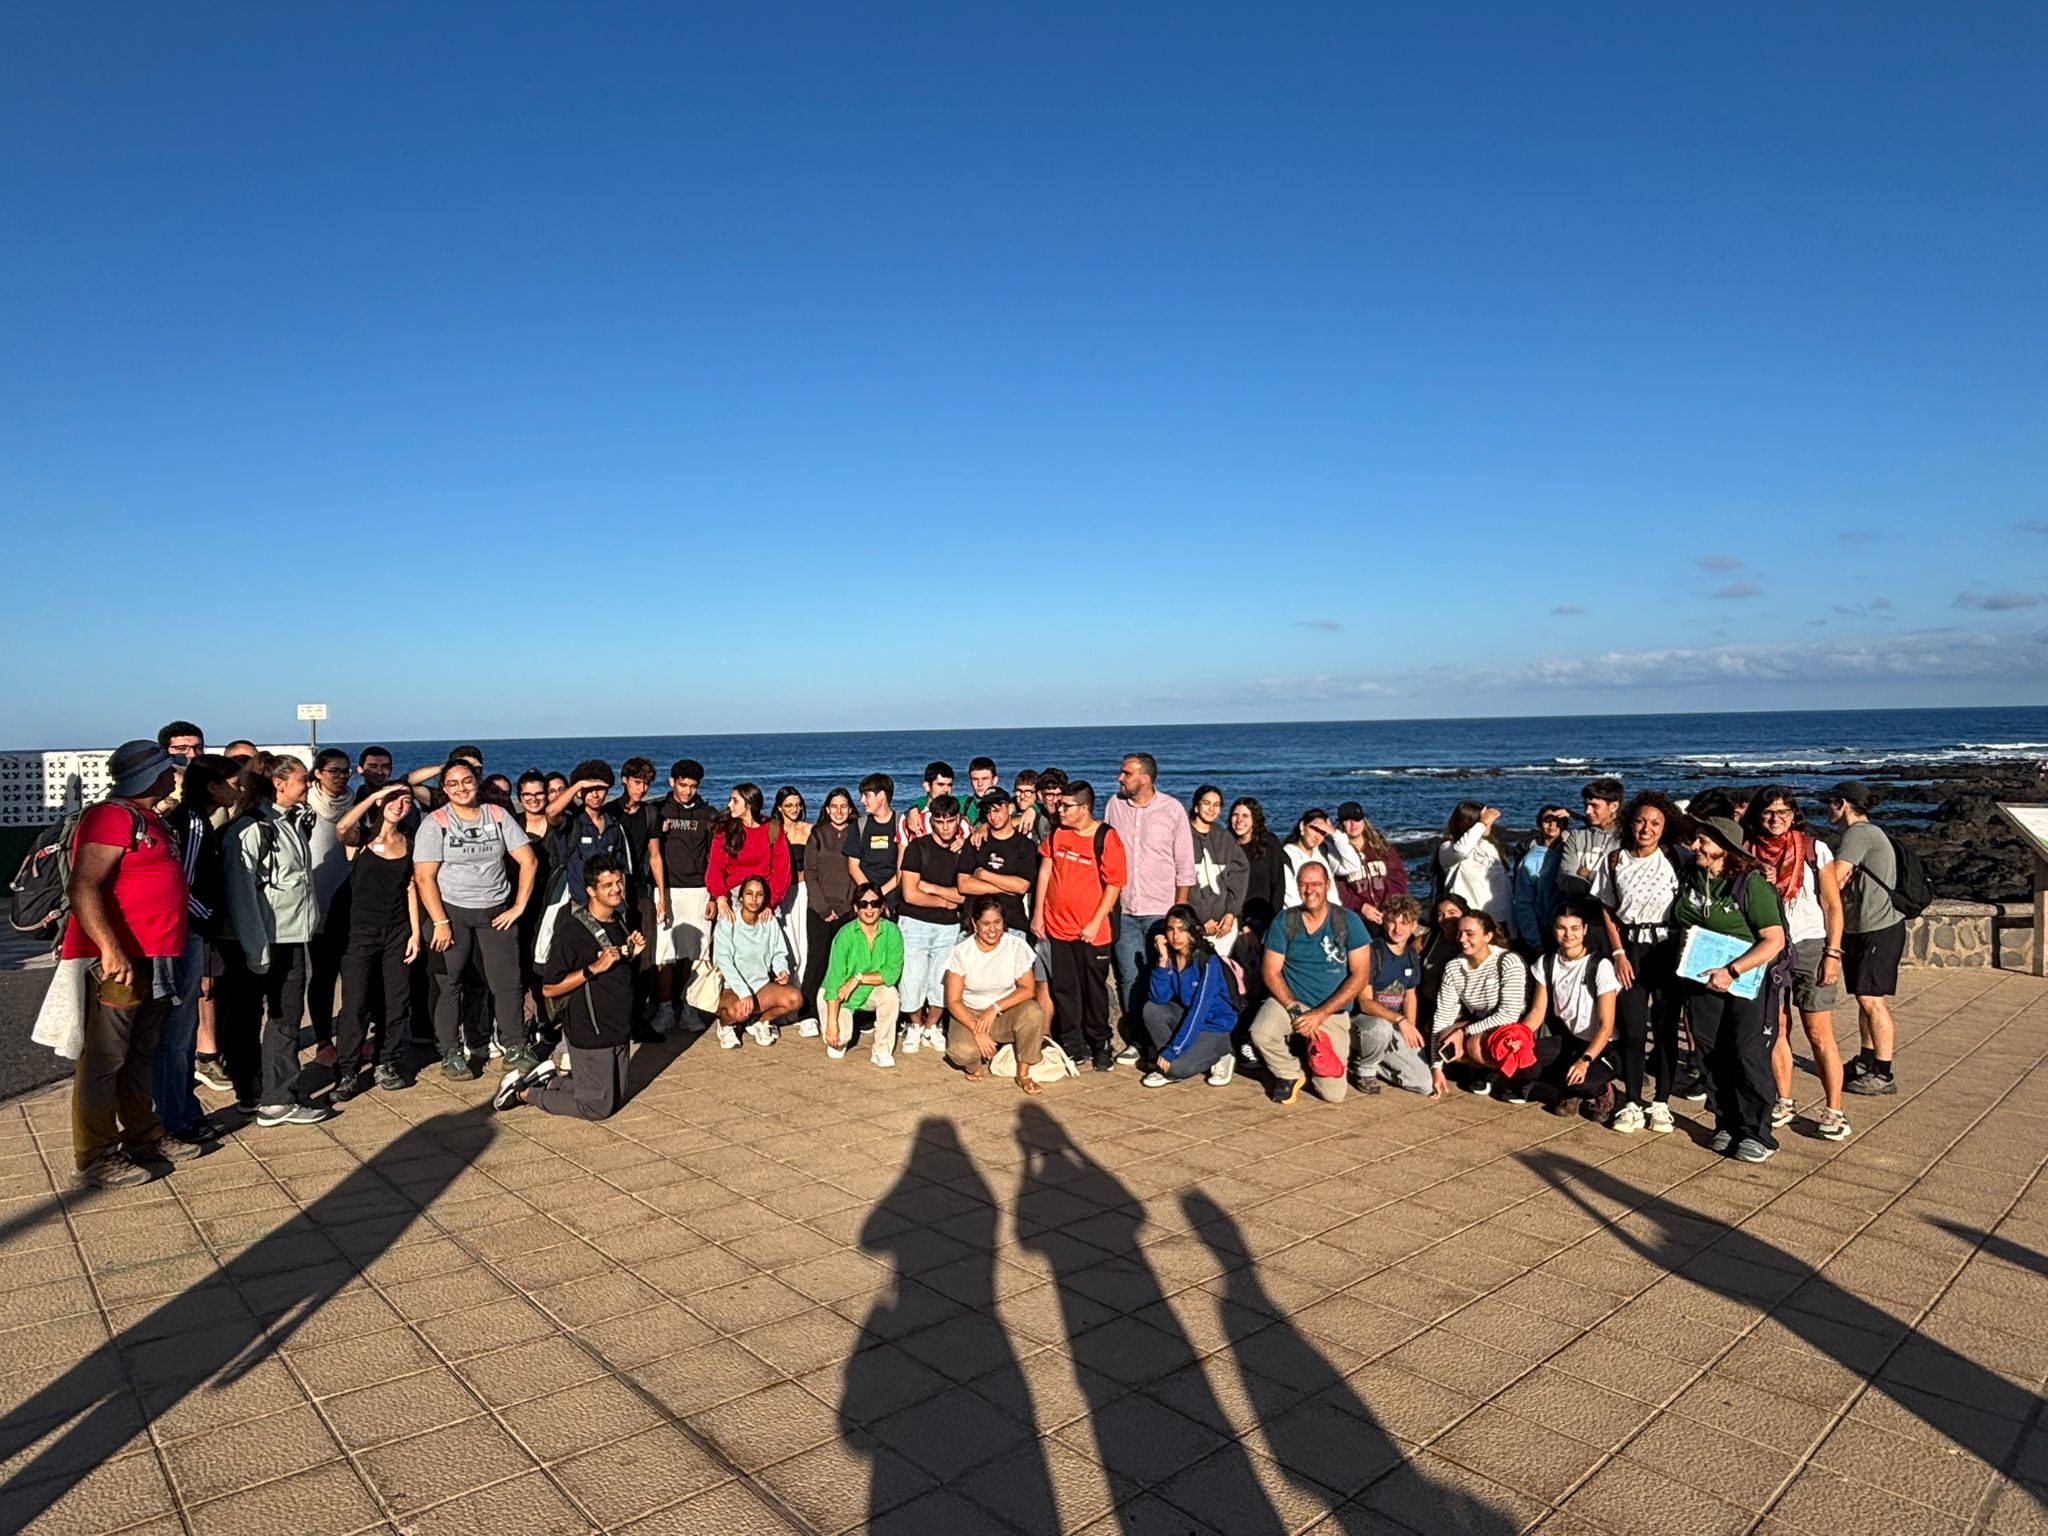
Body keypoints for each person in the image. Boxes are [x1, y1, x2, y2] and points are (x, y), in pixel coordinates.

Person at [62, 741, 201, 1186]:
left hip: (157, 954)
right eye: (169, 769)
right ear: (154, 775)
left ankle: (144, 1137)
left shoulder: (150, 818)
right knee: (106, 1057)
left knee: (140, 1053)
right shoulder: (112, 816)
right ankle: (96, 1155)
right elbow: (84, 886)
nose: (175, 775)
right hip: (123, 958)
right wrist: (110, 948)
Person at [222, 753, 334, 1127]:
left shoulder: (289, 822)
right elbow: (243, 896)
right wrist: (257, 950)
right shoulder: (253, 829)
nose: (310, 785)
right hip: (268, 940)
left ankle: (264, 1092)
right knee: (277, 1018)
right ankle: (273, 1098)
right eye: (303, 779)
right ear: (279, 783)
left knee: (278, 1017)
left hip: (288, 935)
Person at [412, 759, 538, 1078]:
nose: (461, 788)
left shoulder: (496, 815)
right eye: (452, 784)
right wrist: (440, 921)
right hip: (452, 911)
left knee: (507, 983)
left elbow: (528, 860)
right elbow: (424, 877)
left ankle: (514, 1047)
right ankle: (451, 1052)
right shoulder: (436, 822)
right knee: (448, 983)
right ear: (444, 789)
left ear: (476, 782)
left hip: (495, 910)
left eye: (466, 781)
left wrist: (518, 906)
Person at [1674, 815, 1787, 1160]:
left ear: (1725, 848)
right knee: (1709, 1053)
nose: (1695, 846)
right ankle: (1725, 1122)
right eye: (1695, 839)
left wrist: (1732, 971)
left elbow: (1774, 940)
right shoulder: (1692, 875)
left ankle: (1757, 1133)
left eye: (1704, 841)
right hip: (1699, 983)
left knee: (1746, 1054)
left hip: (1744, 984)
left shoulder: (1751, 885)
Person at [499, 855, 646, 1120]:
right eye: (607, 885)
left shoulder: (619, 920)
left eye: (619, 882)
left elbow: (615, 966)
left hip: (618, 1028)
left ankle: (547, 1081)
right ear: (591, 891)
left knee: (613, 1096)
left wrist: (632, 952)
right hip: (591, 1031)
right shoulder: (572, 932)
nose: (616, 889)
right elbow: (550, 988)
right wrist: (592, 969)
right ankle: (522, 1093)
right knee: (597, 1108)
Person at [1745, 787, 1850, 1140]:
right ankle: (1784, 1099)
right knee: (1776, 1027)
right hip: (1768, 945)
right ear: (1757, 816)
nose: (1776, 819)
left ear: (1794, 815)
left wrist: (1832, 954)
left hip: (1809, 944)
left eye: (1783, 812)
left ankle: (1834, 1109)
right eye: (1768, 813)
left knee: (1819, 1033)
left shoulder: (1813, 849)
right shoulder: (1747, 851)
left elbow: (1833, 905)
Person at [1592, 791, 1688, 1134]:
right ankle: (1632, 1101)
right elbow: (1607, 909)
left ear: (1665, 828)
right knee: (1633, 1030)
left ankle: (1661, 1103)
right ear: (1630, 822)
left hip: (1668, 948)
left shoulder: (1678, 856)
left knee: (1665, 1029)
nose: (1646, 828)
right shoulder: (1614, 860)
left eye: (1655, 823)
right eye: (1641, 820)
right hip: (1630, 950)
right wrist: (1617, 953)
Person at [160, 754, 238, 1146]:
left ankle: (183, 1111)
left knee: (181, 1029)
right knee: (179, 1031)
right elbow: (183, 884)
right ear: (212, 786)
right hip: (187, 935)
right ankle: (177, 1117)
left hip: (190, 933)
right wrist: (207, 918)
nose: (237, 789)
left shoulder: (197, 821)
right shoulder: (192, 823)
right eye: (231, 782)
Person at [1248, 861, 1372, 1105]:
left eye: (1316, 883)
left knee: (1333, 1095)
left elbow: (1360, 976)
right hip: (1291, 1002)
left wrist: (1320, 1014)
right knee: (1261, 1032)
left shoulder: (1348, 921)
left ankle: (1311, 1056)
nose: (1310, 889)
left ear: (1327, 885)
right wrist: (1295, 1010)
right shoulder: (1285, 921)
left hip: (1330, 1011)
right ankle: (1291, 1073)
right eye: (1304, 884)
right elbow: (1270, 972)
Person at [328, 785, 420, 1099]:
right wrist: (372, 798)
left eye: (406, 801)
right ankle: (348, 1071)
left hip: (397, 931)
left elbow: (411, 888)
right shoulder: (363, 840)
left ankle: (386, 1062)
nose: (400, 805)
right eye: (394, 799)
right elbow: (341, 828)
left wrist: (416, 934)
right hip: (359, 933)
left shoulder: (409, 843)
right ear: (381, 802)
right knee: (355, 1003)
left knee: (396, 1000)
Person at [1103, 753, 1196, 1056]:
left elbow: (1185, 867)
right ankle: (1138, 1040)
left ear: (1145, 777)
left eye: (1126, 773)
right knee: (1130, 977)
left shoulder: (1172, 810)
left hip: (1161, 911)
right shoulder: (1114, 806)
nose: (1120, 778)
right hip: (1126, 909)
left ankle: (1168, 1039)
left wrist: (1178, 918)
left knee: (1165, 975)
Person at [1032, 780, 1127, 1071]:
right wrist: (1038, 914)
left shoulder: (1105, 837)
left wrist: (1095, 922)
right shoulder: (1058, 833)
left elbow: (1114, 885)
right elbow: (1046, 871)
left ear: (1084, 809)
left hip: (1092, 934)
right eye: (1059, 804)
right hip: (1057, 928)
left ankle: (1101, 1044)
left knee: (1093, 991)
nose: (1060, 809)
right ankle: (1072, 1046)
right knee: (1065, 990)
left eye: (1067, 805)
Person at [1827, 781, 1908, 1098]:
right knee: (1865, 997)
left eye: (1830, 803)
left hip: (1879, 927)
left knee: (1873, 1002)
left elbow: (1835, 875)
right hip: (1866, 926)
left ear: (1842, 803)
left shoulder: (1859, 833)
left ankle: (1883, 1073)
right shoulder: (1867, 833)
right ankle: (1866, 1060)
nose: (1827, 809)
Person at [1520, 904, 1624, 1121]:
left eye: (1575, 928)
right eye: (1561, 928)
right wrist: (1517, 1038)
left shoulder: (1600, 966)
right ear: (1554, 929)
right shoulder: (1546, 963)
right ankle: (1569, 1089)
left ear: (1585, 929)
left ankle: (1602, 1091)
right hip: (1570, 1040)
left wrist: (1585, 1061)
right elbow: (1537, 1012)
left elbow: (1606, 1026)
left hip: (1602, 1046)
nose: (1568, 935)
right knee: (1524, 1062)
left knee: (1584, 1079)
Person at [943, 895, 1049, 1093]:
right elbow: (954, 1000)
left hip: (1003, 1010)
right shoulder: (961, 952)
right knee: (962, 1052)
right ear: (975, 924)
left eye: (997, 922)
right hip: (970, 1011)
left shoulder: (1016, 946)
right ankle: (974, 1066)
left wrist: (995, 1008)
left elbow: (1028, 988)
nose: (992, 929)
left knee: (1033, 1012)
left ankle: (1023, 1072)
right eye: (986, 924)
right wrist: (978, 1030)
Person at [1135, 903, 1240, 1088]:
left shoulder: (1207, 961)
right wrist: (1162, 961)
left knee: (1176, 1068)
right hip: (1189, 1019)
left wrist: (1172, 1051)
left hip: (1214, 1026)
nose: (1175, 936)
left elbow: (1199, 1010)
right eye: (1170, 930)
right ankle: (1168, 1063)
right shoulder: (1173, 957)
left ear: (1192, 930)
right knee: (1152, 1009)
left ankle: (1222, 1052)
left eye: (1182, 930)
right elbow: (1159, 998)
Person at [896, 794, 971, 1054]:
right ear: (932, 822)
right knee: (912, 978)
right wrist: (943, 901)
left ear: (959, 820)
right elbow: (910, 894)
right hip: (914, 922)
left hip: (949, 927)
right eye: (940, 821)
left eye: (951, 821)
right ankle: (914, 1025)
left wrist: (931, 888)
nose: (946, 827)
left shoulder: (965, 850)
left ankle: (932, 1026)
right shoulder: (918, 848)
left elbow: (963, 894)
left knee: (941, 980)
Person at [649, 759, 716, 1030]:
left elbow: (715, 858)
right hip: (666, 889)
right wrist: (661, 894)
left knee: (697, 952)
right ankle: (665, 1009)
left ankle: (689, 1007)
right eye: (683, 785)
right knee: (664, 953)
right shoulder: (657, 811)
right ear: (671, 782)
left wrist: (713, 895)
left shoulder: (709, 814)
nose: (687, 791)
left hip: (699, 890)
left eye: (693, 786)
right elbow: (651, 853)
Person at [1431, 912, 1529, 1098]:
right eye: (1460, 933)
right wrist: (1436, 1067)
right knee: (1445, 1038)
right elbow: (1443, 1014)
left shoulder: (1509, 961)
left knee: (1474, 1045)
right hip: (1482, 1020)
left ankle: (1514, 1073)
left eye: (1470, 934)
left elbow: (1509, 1014)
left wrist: (1463, 1032)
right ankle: (1487, 1071)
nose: (1462, 939)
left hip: (1512, 1024)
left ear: (1488, 936)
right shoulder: (1454, 967)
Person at [1352, 894, 1436, 1097]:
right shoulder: (1373, 952)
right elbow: (1364, 1002)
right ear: (1384, 921)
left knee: (1424, 1084)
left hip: (1394, 1025)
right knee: (1380, 1028)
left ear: (1414, 925)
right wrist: (1399, 1020)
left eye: (1404, 923)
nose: (1398, 929)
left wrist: (1410, 1028)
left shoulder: (1411, 956)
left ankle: (1361, 1060)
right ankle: (1365, 1070)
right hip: (1365, 1023)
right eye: (1392, 922)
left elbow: (1410, 996)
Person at [303, 747, 356, 1066]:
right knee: (322, 975)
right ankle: (323, 1038)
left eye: (345, 770)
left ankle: (354, 1034)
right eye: (333, 770)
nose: (340, 776)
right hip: (317, 900)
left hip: (351, 900)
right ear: (318, 774)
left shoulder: (358, 801)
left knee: (355, 975)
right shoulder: (306, 808)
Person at [712, 874, 803, 1047]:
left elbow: (778, 952)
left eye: (759, 895)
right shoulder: (728, 922)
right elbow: (724, 961)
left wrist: (781, 970)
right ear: (741, 896)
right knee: (740, 1011)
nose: (754, 899)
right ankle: (725, 1025)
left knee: (794, 998)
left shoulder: (769, 922)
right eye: (749, 893)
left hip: (760, 986)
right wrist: (743, 992)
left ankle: (761, 1022)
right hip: (731, 987)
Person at [819, 883, 904, 1065]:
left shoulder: (892, 932)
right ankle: (837, 1022)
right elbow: (834, 982)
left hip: (869, 988)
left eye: (874, 903)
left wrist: (857, 979)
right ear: (856, 908)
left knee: (891, 996)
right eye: (863, 904)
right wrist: (832, 1024)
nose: (869, 908)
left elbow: (892, 973)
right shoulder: (844, 935)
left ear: (882, 906)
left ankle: (882, 1049)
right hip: (839, 995)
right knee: (837, 1042)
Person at [610, 757, 664, 1041]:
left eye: (646, 783)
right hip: (613, 892)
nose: (641, 788)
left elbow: (655, 855)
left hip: (641, 890)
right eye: (637, 782)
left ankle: (638, 1019)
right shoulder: (609, 812)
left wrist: (662, 896)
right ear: (624, 780)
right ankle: (617, 1019)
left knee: (644, 955)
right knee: (616, 953)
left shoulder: (650, 814)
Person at [800, 787, 859, 1028]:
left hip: (848, 909)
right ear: (826, 809)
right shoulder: (818, 834)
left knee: (845, 962)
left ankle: (846, 1011)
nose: (839, 811)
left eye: (843, 806)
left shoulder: (857, 833)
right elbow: (810, 874)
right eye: (834, 807)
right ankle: (807, 1013)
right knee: (818, 959)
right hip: (819, 909)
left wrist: (847, 907)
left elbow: (857, 872)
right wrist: (823, 908)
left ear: (850, 809)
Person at [548, 761, 634, 910]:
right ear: (580, 792)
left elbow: (621, 869)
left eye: (600, 789)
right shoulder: (571, 822)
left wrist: (622, 904)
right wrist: (578, 785)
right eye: (589, 789)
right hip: (579, 905)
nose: (595, 795)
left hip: (611, 907)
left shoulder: (614, 825)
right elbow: (551, 812)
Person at [706, 782, 792, 923]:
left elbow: (782, 870)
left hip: (764, 896)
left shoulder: (772, 828)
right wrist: (719, 897)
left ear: (749, 804)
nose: (729, 805)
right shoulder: (724, 830)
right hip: (733, 897)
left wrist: (770, 903)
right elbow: (715, 868)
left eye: (735, 800)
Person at [957, 788, 1039, 934]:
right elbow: (964, 885)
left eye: (997, 810)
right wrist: (1006, 888)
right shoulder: (976, 841)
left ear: (1010, 808)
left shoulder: (1025, 846)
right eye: (988, 811)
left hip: (1012, 924)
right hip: (974, 925)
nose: (993, 816)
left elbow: (1021, 886)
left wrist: (984, 875)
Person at [771, 786, 816, 1035]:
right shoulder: (772, 831)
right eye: (789, 805)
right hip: (779, 895)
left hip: (803, 892)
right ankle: (782, 1006)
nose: (794, 809)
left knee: (804, 948)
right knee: (782, 950)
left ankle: (803, 1008)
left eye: (797, 804)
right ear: (779, 807)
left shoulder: (809, 830)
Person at [1188, 785, 1249, 958]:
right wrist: (1203, 916)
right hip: (1194, 923)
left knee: (1221, 972)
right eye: (1206, 803)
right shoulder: (1183, 834)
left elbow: (1239, 875)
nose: (1211, 809)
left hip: (1224, 925)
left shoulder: (1224, 837)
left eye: (1216, 805)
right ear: (1196, 805)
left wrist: (1231, 913)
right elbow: (1185, 880)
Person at [1436, 802, 1514, 938]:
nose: (1489, 824)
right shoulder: (1448, 848)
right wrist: (1482, 824)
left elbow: (1503, 889)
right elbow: (1460, 851)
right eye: (1483, 820)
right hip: (1471, 924)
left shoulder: (1488, 846)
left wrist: (1512, 928)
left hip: (1498, 922)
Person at [1334, 802, 1407, 931]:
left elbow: (1398, 876)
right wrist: (1361, 906)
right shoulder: (1335, 854)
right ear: (1341, 824)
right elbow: (1337, 888)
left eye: (1357, 819)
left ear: (1363, 820)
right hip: (1356, 918)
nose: (1353, 824)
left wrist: (1388, 906)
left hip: (1388, 913)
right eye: (1348, 820)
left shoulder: (1381, 847)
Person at [1229, 797, 1286, 957]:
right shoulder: (1227, 845)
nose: (1239, 820)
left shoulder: (1269, 843)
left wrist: (1274, 924)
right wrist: (1242, 926)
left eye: (1245, 816)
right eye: (1235, 815)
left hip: (1266, 918)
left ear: (1255, 819)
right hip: (1236, 919)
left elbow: (1278, 885)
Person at [1512, 806, 1570, 960]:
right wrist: (1535, 941)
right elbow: (1523, 902)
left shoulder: (1572, 850)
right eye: (1547, 820)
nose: (1552, 825)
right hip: (1544, 932)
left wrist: (1575, 816)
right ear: (1539, 823)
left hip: (1572, 929)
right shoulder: (1531, 859)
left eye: (1557, 821)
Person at [1559, 776, 1625, 903]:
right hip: (1579, 915)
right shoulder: (1576, 837)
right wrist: (1606, 887)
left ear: (1614, 806)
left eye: (1594, 806)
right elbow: (1565, 880)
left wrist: (1588, 874)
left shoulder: (1627, 839)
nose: (1587, 811)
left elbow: (1623, 884)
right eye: (1586, 805)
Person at [1281, 807, 1359, 909]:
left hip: (1333, 916)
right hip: (1302, 919)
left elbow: (1352, 866)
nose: (1317, 836)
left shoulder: (1323, 850)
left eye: (1323, 832)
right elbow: (1291, 899)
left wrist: (1335, 834)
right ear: (1302, 826)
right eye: (1315, 829)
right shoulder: (1286, 856)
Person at [847, 773, 903, 909]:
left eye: (867, 795)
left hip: (895, 899)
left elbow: (903, 869)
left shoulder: (902, 823)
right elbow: (853, 866)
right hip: (866, 900)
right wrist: (870, 894)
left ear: (882, 796)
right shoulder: (860, 825)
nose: (862, 800)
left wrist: (881, 894)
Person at [902, 761, 958, 841]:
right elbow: (902, 851)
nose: (946, 790)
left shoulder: (958, 814)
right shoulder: (910, 819)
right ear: (927, 786)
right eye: (940, 784)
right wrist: (913, 809)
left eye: (949, 785)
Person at [1013, 770, 1051, 843]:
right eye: (1019, 791)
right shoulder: (1009, 806)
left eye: (1028, 792)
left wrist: (1033, 808)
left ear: (1037, 794)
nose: (1022, 796)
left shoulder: (1044, 812)